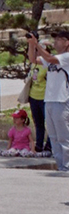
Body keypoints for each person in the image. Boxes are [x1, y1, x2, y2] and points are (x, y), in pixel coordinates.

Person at [27, 28, 69, 171]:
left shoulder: (66, 57)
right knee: (54, 137)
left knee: (64, 137)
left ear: (66, 42)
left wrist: (37, 44)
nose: (55, 42)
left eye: (58, 39)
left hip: (62, 101)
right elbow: (33, 59)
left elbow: (50, 59)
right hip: (49, 100)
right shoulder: (52, 58)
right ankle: (61, 166)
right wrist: (31, 44)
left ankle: (67, 166)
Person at [26, 42, 52, 154]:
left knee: (50, 123)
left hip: (45, 97)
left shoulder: (48, 63)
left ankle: (50, 145)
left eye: (39, 50)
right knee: (38, 123)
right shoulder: (34, 63)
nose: (37, 52)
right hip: (33, 96)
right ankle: (39, 144)